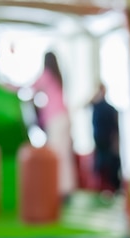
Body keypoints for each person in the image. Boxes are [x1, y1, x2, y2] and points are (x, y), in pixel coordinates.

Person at [32, 51, 77, 199]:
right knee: (65, 155)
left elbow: (31, 87)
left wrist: (8, 86)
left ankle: (59, 189)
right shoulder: (58, 77)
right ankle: (67, 188)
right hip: (64, 116)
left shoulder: (47, 75)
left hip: (56, 119)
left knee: (56, 155)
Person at [90, 83, 122, 193]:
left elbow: (115, 129)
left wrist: (116, 144)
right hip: (99, 144)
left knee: (111, 170)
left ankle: (114, 190)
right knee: (101, 171)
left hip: (108, 145)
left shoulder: (109, 109)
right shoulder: (96, 107)